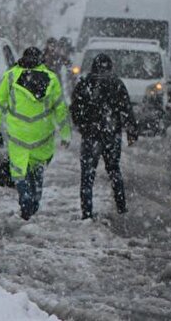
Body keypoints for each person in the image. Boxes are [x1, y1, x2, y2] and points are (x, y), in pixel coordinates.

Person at [0, 46, 70, 220]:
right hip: (42, 133)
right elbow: (60, 108)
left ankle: (25, 197)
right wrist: (65, 133)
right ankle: (35, 199)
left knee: (18, 169)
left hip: (18, 133)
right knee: (37, 168)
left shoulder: (10, 77)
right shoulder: (52, 79)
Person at [69, 53, 138, 219]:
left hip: (91, 135)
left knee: (87, 174)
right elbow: (126, 109)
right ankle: (121, 205)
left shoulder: (85, 84)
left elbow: (75, 109)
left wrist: (83, 126)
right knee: (114, 169)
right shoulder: (117, 84)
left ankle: (86, 211)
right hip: (111, 134)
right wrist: (131, 130)